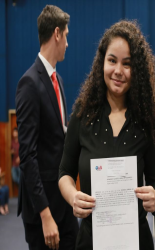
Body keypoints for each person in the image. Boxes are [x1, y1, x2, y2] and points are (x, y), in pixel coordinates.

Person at [58, 20, 155, 250]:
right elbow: (65, 172)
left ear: (136, 69)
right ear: (102, 63)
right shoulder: (82, 114)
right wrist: (72, 196)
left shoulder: (145, 120)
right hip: (91, 240)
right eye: (112, 61)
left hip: (136, 241)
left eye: (127, 64)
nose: (118, 71)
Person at [15, 5, 78, 250]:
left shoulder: (58, 80)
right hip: (44, 212)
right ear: (57, 34)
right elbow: (27, 156)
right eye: (67, 36)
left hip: (63, 203)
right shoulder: (29, 83)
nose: (68, 44)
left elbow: (56, 136)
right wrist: (45, 214)